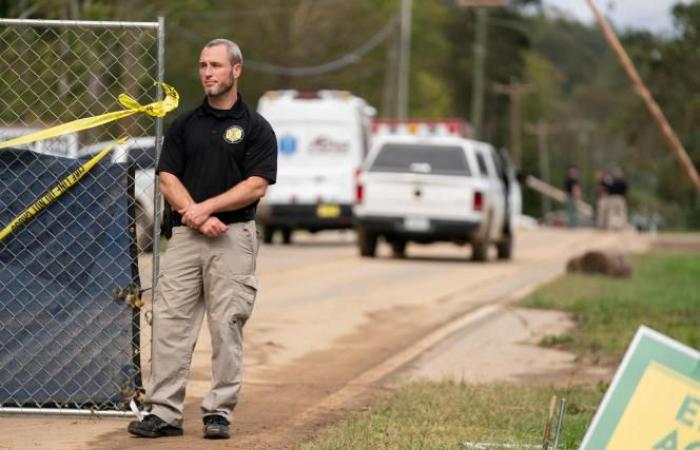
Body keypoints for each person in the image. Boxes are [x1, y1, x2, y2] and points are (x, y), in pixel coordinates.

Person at [128, 38, 277, 440]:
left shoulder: (256, 128)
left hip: (233, 236)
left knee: (226, 324)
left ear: (236, 70)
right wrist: (194, 215)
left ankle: (219, 413)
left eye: (215, 65)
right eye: (202, 65)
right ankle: (164, 413)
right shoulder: (185, 125)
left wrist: (205, 209)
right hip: (185, 237)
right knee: (171, 323)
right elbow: (166, 177)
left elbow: (256, 186)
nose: (208, 72)